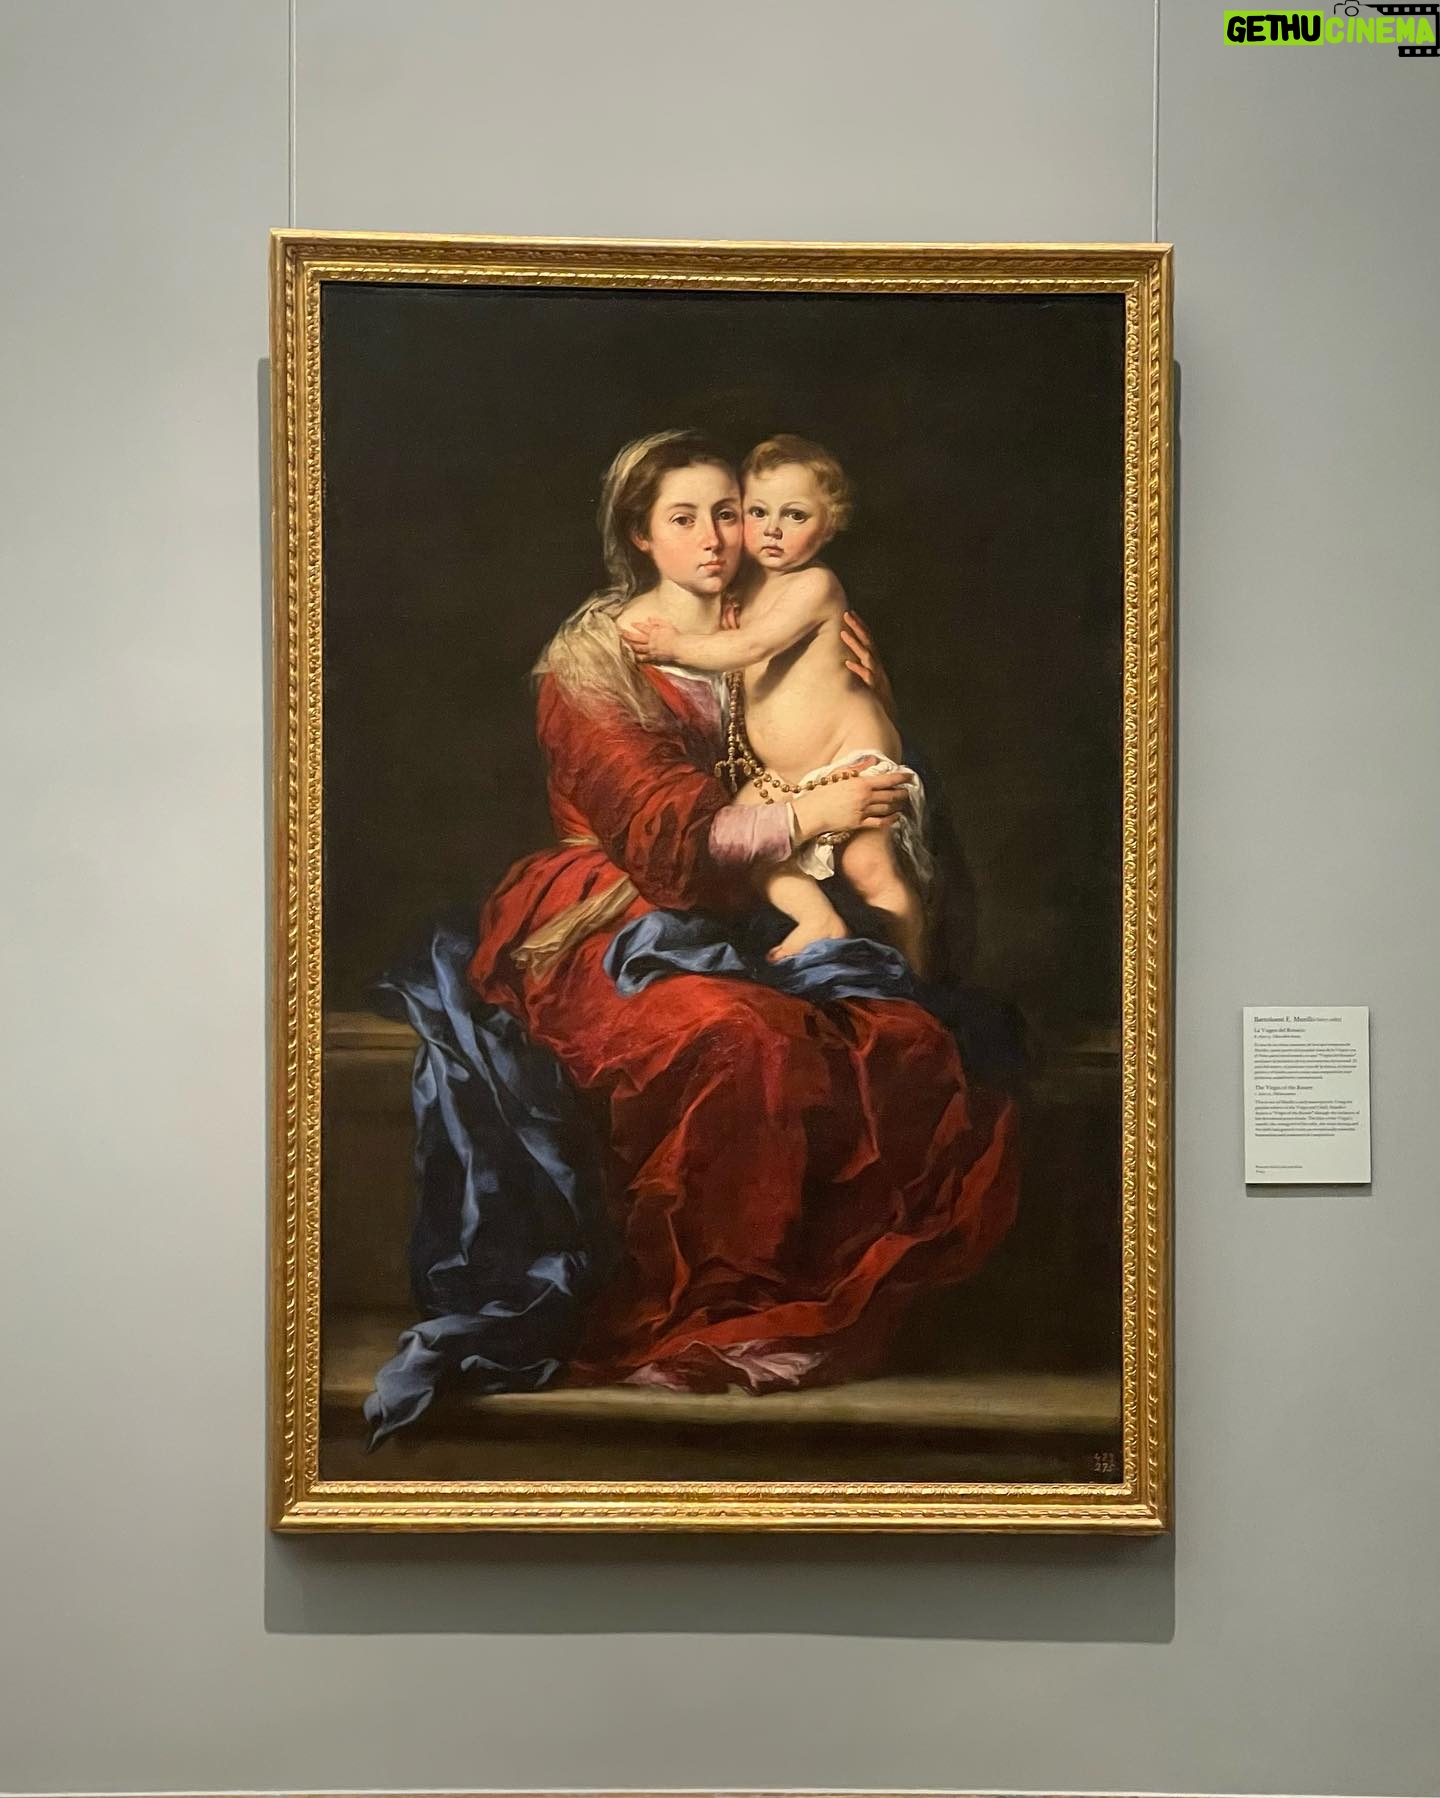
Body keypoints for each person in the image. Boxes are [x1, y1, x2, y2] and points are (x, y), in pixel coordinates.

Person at [456, 428, 1019, 1395]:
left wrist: (861, 702)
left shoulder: (771, 620)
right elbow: (668, 841)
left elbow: (842, 750)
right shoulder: (593, 667)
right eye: (685, 519)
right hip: (608, 917)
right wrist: (814, 812)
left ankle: (812, 1306)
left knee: (899, 1035)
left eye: (730, 512)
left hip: (751, 907)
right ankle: (712, 1317)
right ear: (640, 534)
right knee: (738, 1039)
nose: (718, 537)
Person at [619, 436, 927, 969]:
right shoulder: (742, 588)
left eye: (795, 515)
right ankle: (818, 920)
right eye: (757, 512)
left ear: (829, 526)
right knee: (752, 850)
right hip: (782, 777)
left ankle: (917, 978)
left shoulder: (815, 586)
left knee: (869, 870)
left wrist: (675, 646)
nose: (772, 530)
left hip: (848, 759)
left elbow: (752, 647)